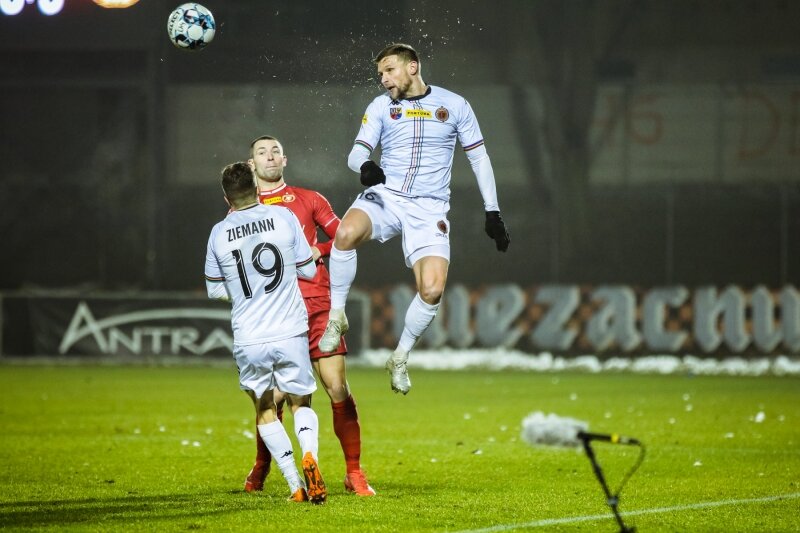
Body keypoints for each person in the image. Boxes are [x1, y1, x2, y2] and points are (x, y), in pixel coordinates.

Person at [319, 43, 511, 394]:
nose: (384, 79)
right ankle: (337, 316)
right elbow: (357, 152)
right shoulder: (381, 106)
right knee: (345, 234)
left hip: (429, 207)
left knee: (433, 289)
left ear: (412, 67)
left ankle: (400, 356)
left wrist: (493, 211)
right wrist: (365, 165)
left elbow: (479, 159)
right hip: (387, 195)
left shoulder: (455, 105)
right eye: (380, 74)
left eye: (389, 70)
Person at [243, 135, 376, 497]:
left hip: (316, 302)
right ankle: (262, 464)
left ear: (284, 159)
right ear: (252, 164)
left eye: (275, 151)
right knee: (272, 397)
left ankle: (354, 472)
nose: (270, 156)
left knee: (337, 387)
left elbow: (347, 236)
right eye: (261, 152)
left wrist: (320, 250)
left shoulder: (309, 199)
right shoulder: (243, 210)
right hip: (274, 311)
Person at [205, 161, 327, 504]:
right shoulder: (283, 217)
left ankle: (295, 486)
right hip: (290, 328)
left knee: (264, 408)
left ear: (226, 197)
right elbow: (307, 270)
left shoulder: (218, 233)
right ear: (257, 188)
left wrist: (247, 292)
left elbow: (215, 289)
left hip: (250, 334)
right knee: (301, 401)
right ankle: (310, 456)